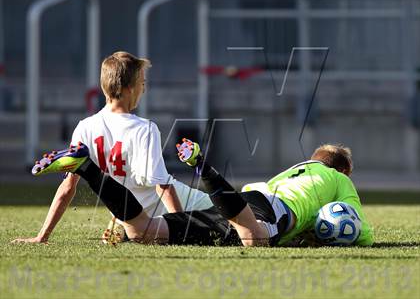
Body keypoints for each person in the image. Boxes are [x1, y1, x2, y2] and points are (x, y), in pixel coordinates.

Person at [15, 139, 373, 247]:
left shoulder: (297, 170)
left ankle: (86, 167)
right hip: (266, 209)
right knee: (255, 238)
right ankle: (203, 168)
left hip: (251, 197)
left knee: (142, 232)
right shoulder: (338, 179)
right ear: (342, 169)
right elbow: (361, 230)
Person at [12, 51, 211, 244]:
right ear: (130, 88)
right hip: (185, 209)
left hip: (135, 216)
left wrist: (42, 236)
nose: (144, 89)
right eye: (142, 83)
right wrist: (181, 228)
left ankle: (121, 226)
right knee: (236, 221)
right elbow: (163, 187)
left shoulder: (85, 127)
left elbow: (67, 188)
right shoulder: (146, 129)